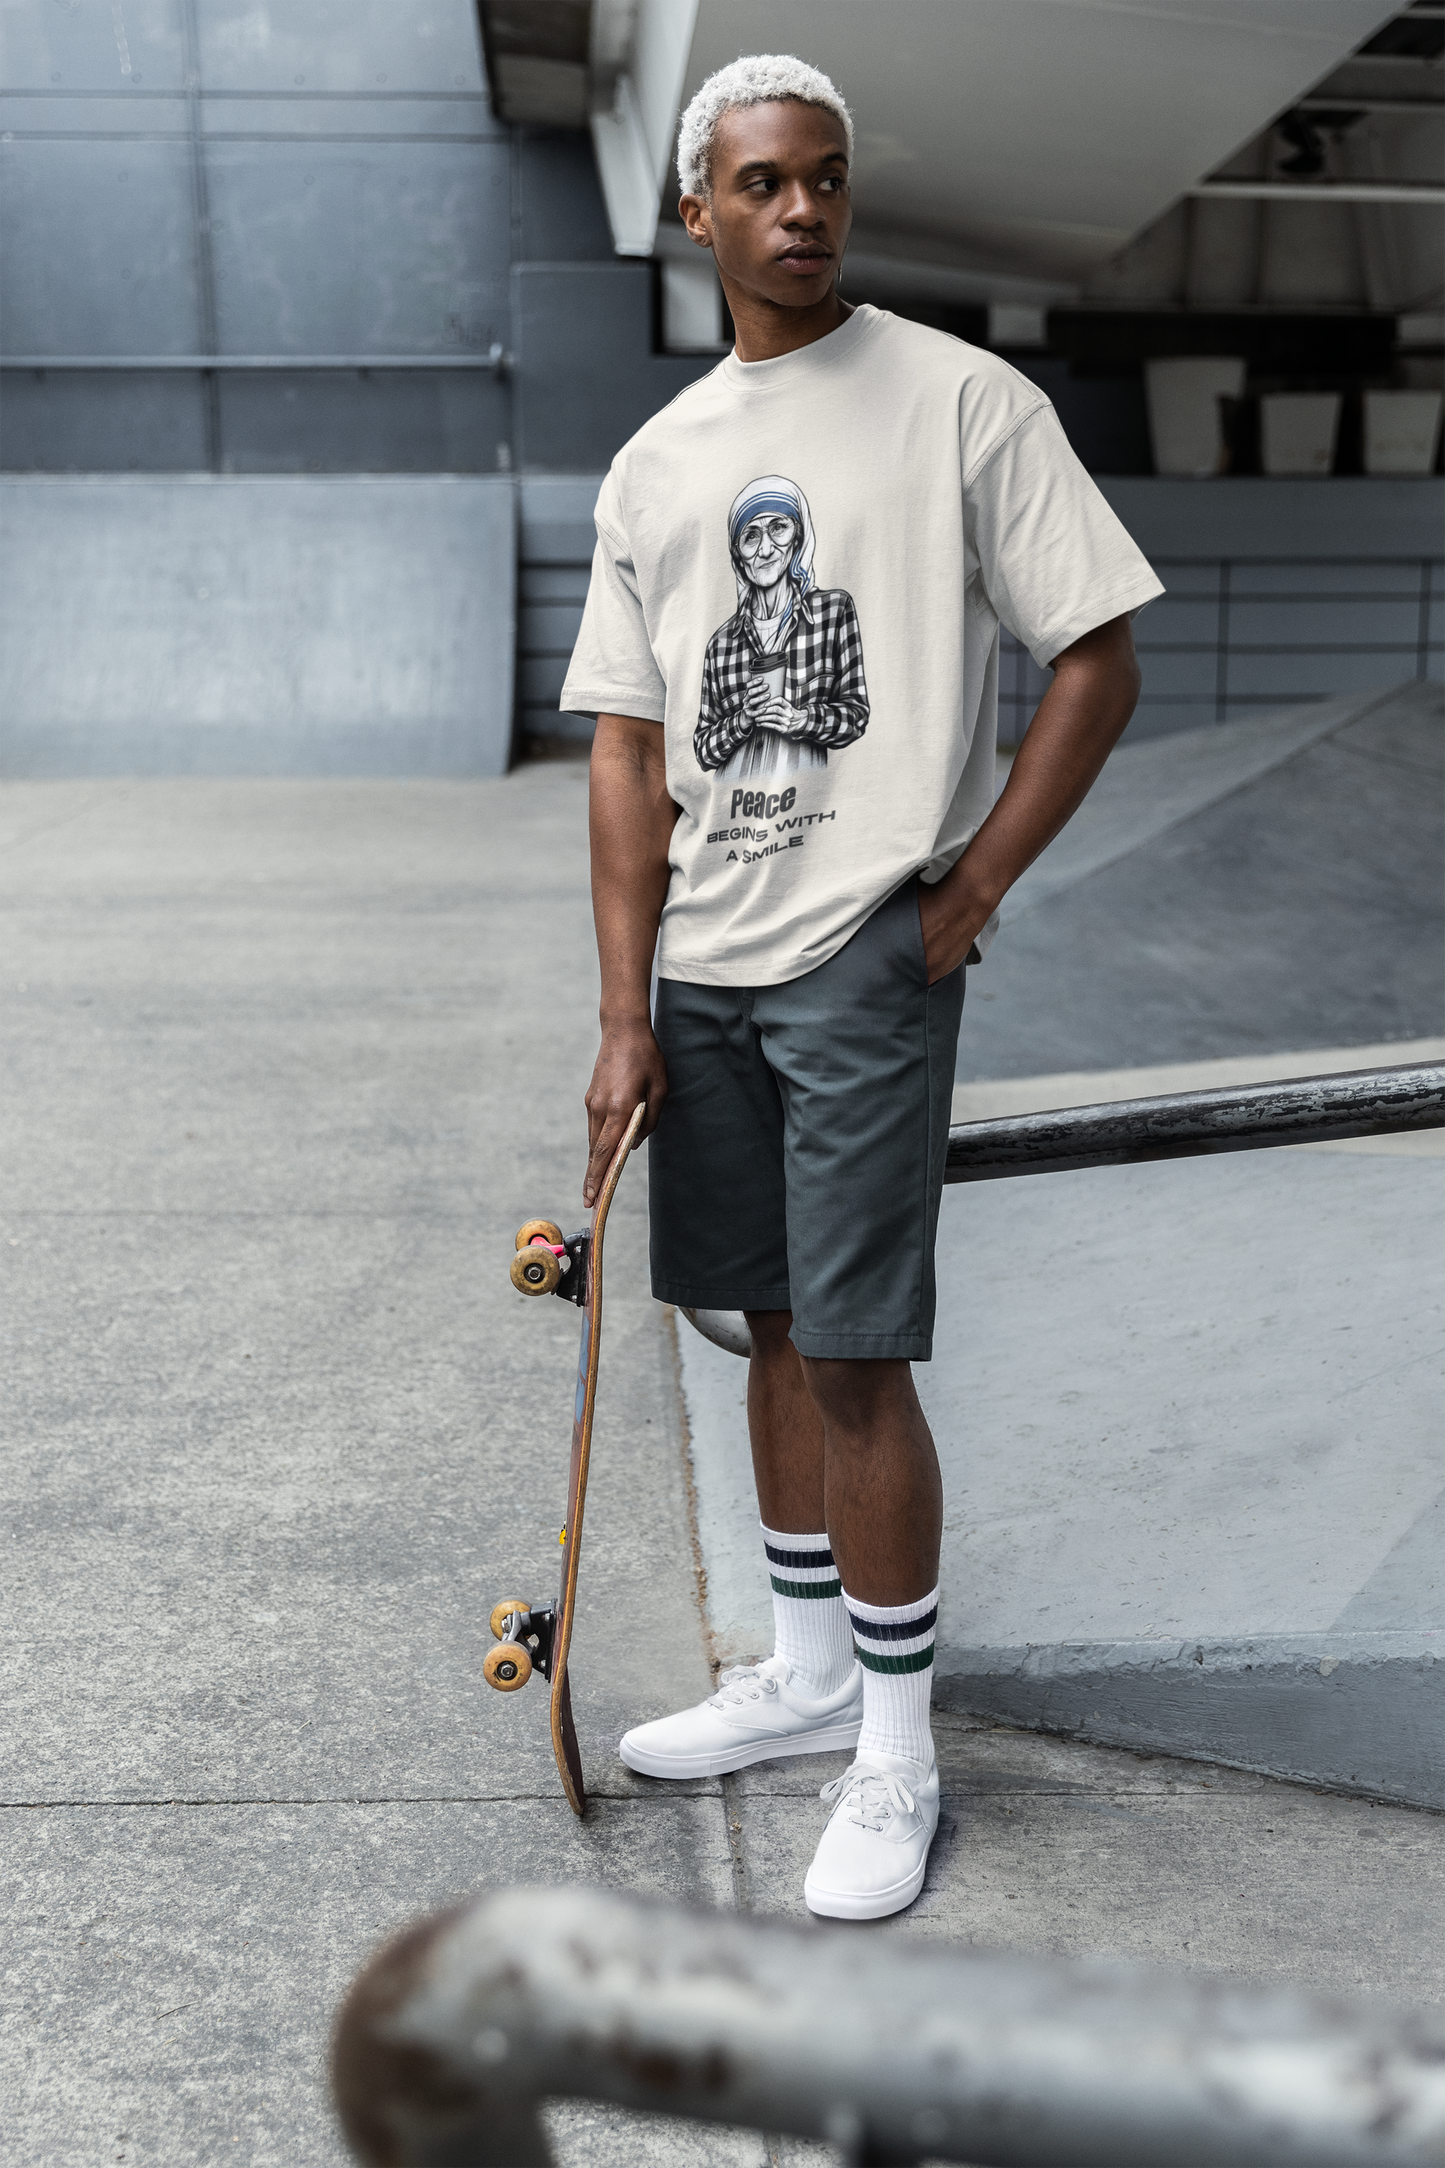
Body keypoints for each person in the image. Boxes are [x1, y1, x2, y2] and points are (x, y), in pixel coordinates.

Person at [561, 51, 1161, 1920]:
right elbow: (626, 752)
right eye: (761, 184)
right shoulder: (657, 463)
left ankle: (896, 1751)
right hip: (709, 968)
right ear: (700, 213)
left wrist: (972, 881)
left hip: (861, 952)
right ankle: (807, 1677)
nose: (802, 209)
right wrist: (623, 1006)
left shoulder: (962, 400)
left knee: (857, 1347)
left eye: (824, 178)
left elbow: (1098, 655)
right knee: (754, 1319)